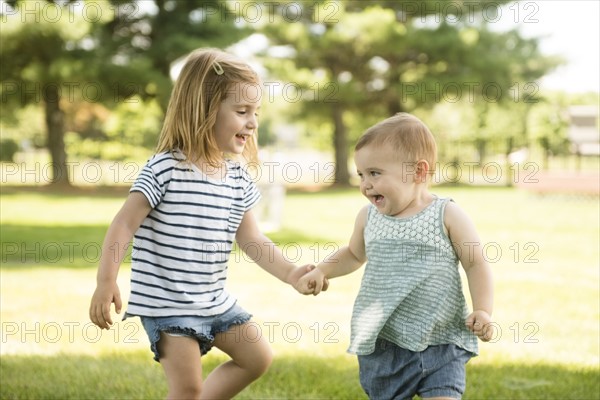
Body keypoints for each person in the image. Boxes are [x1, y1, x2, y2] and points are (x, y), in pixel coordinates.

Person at [89, 48, 326, 400]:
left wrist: (291, 273)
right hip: (168, 305)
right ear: (204, 108)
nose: (253, 122)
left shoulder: (237, 177)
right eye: (242, 111)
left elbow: (252, 239)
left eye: (256, 112)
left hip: (214, 301)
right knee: (186, 388)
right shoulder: (165, 169)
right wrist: (106, 281)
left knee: (257, 358)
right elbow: (124, 224)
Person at [295, 113, 494, 400]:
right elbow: (353, 253)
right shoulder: (368, 217)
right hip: (386, 342)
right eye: (361, 175)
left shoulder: (447, 214)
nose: (366, 184)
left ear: (418, 172)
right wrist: (322, 270)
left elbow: (475, 262)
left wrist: (483, 309)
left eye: (375, 173)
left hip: (441, 341)